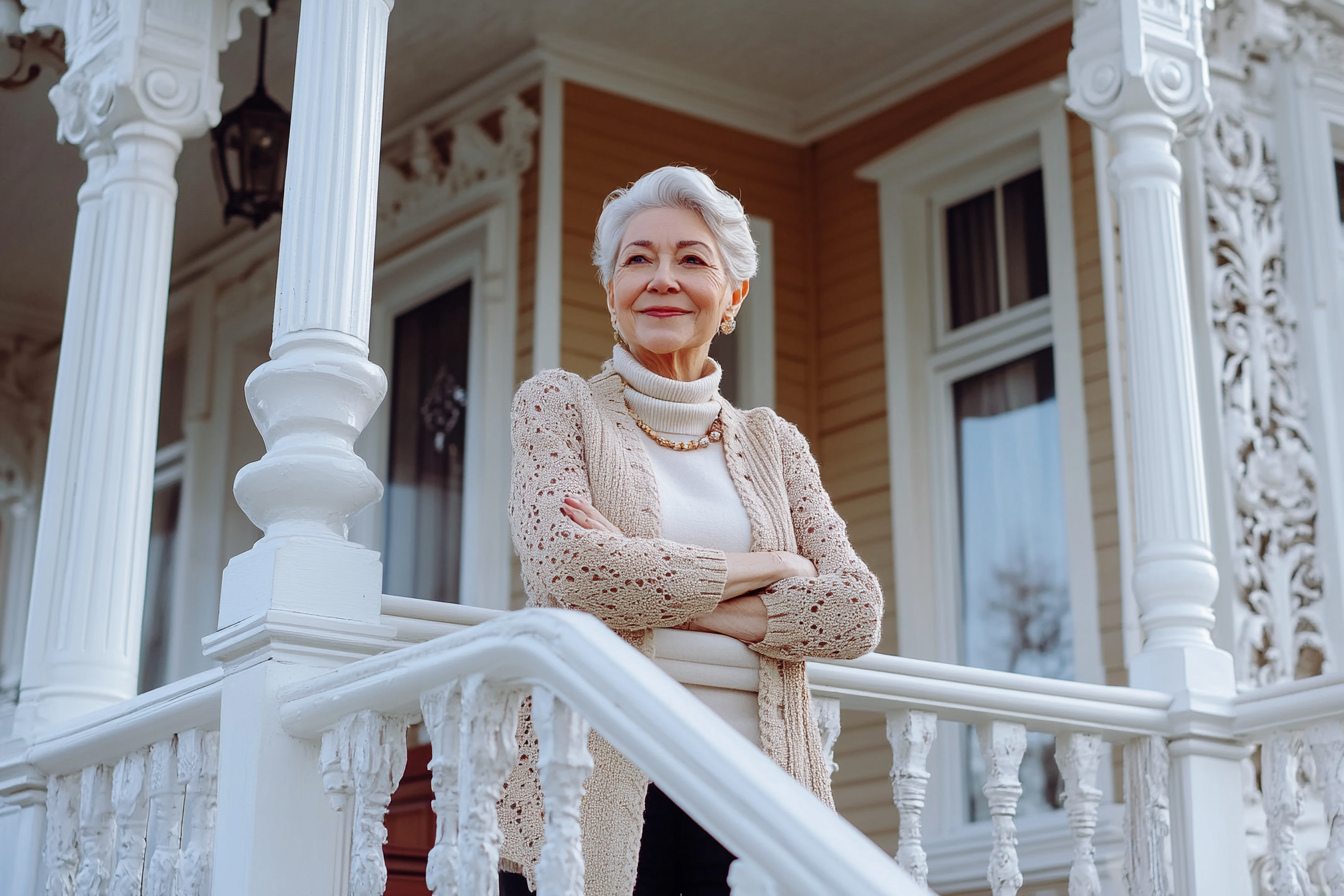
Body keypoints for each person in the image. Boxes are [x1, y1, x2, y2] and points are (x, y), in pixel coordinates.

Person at [498, 166, 883, 896]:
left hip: (755, 789)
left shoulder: (776, 444)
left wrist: (661, 589)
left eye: (692, 259)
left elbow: (854, 612)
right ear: (612, 290)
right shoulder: (559, 406)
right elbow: (571, 571)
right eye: (637, 258)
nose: (661, 278)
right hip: (596, 777)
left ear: (733, 295)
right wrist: (771, 564)